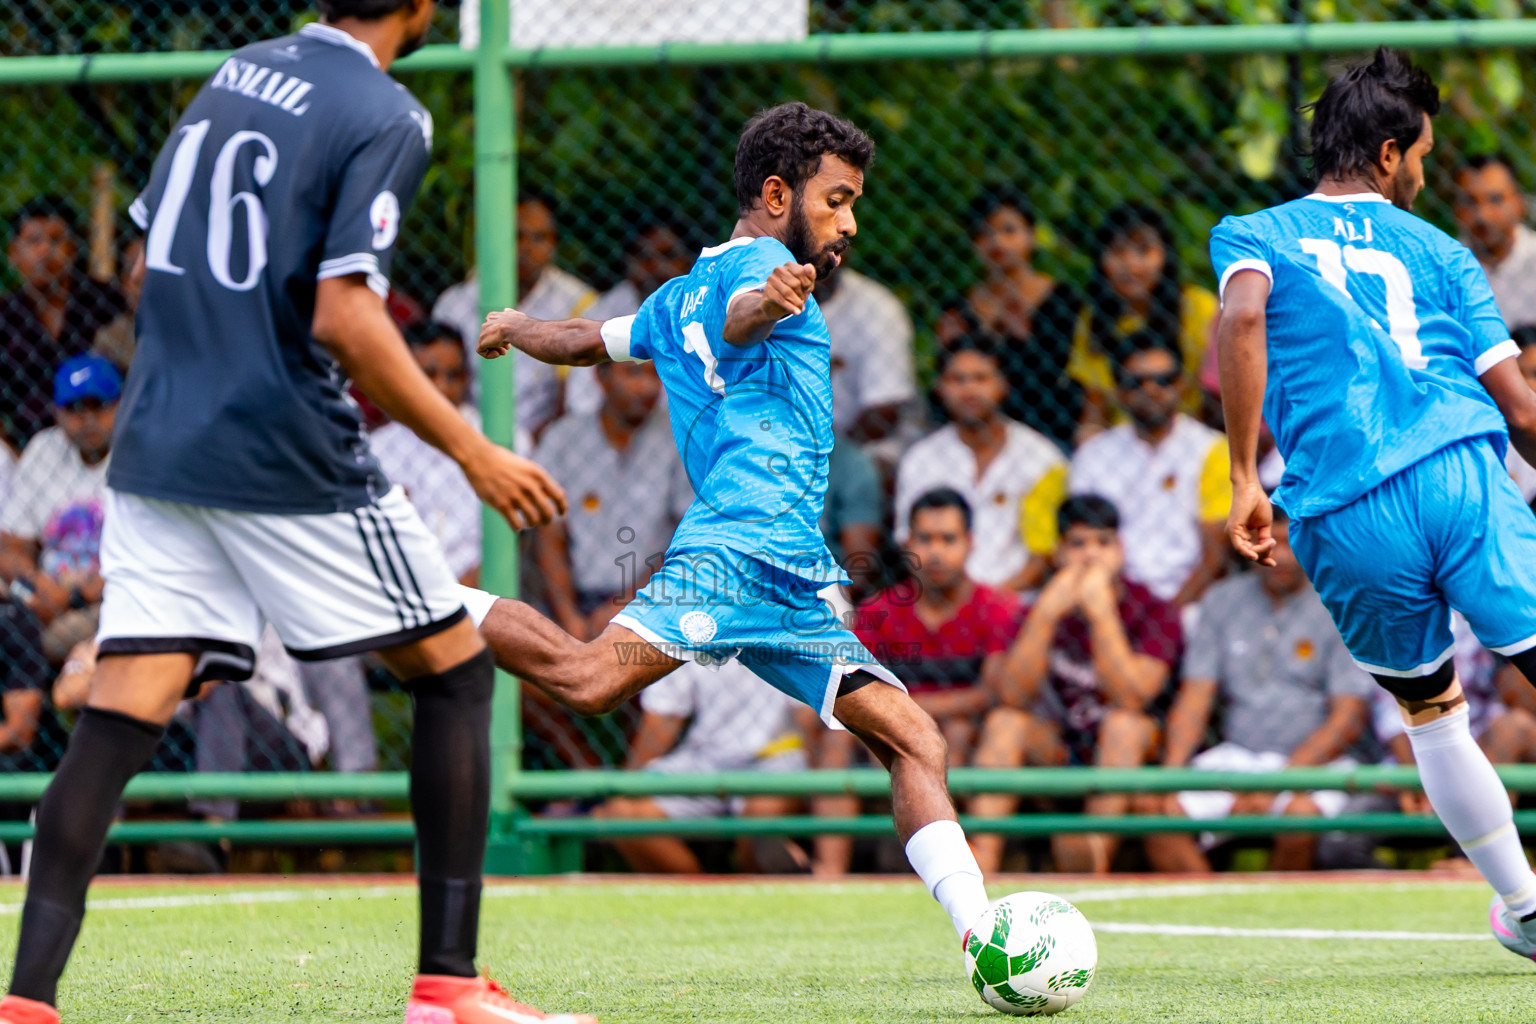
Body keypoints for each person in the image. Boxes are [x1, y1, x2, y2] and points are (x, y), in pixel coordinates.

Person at [0, 6, 573, 1024]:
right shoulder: (384, 109)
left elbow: (143, 264)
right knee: (455, 669)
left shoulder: (235, 73)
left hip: (157, 439)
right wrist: (476, 450)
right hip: (280, 446)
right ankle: (447, 988)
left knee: (122, 713)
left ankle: (26, 1003)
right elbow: (346, 315)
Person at [473, 102, 994, 963]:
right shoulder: (762, 269)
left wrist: (514, 327)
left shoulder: (671, 296)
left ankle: (983, 937)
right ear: (778, 192)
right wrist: (773, 296)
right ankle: (420, 602)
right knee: (590, 677)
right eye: (838, 201)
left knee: (914, 737)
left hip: (789, 580)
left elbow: (585, 339)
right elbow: (743, 315)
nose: (850, 222)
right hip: (740, 551)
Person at [1213, 47, 1536, 962]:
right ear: (1390, 154)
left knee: (1432, 714)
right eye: (1425, 152)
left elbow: (1240, 320)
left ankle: (1524, 905)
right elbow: (1520, 409)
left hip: (1343, 508)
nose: (1428, 172)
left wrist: (1245, 478)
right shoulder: (1443, 253)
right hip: (1462, 479)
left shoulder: (1254, 231)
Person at [1145, 509, 1373, 872]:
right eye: (1265, 542)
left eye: (1288, 542)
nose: (1278, 555)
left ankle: (1273, 915)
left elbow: (1347, 718)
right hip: (1238, 757)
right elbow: (1195, 698)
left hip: (1313, 764)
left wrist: (1277, 785)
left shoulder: (1340, 603)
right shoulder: (1221, 600)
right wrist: (1172, 776)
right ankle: (1211, 916)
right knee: (1156, 812)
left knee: (1299, 818)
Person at [968, 495, 1180, 875]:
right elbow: (1012, 694)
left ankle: (1093, 853)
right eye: (1078, 544)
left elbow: (1132, 697)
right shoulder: (1036, 608)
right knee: (1005, 723)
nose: (1091, 556)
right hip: (1060, 748)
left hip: (1131, 753)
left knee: (1123, 725)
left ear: (1121, 549)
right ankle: (978, 864)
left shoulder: (1153, 609)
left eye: (1103, 543)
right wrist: (1047, 615)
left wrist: (1101, 615)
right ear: (1058, 553)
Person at [591, 658, 808, 874]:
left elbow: (809, 718)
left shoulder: (789, 625)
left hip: (776, 755)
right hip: (705, 758)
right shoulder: (686, 626)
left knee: (761, 822)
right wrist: (626, 788)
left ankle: (759, 894)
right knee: (622, 814)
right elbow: (663, 719)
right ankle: (703, 898)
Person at [854, 488, 1021, 763]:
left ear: (970, 542)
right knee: (841, 736)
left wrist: (913, 708)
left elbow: (993, 693)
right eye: (925, 539)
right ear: (907, 543)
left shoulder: (999, 607)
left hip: (965, 730)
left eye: (948, 539)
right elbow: (858, 690)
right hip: (891, 726)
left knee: (957, 730)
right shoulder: (877, 610)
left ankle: (946, 807)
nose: (935, 552)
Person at [1069, 334, 1231, 608]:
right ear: (1119, 391)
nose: (1151, 390)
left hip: (1190, 600)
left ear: (1181, 385)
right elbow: (1079, 546)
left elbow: (1214, 554)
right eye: (1136, 382)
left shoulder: (1213, 450)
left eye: (1163, 380)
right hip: (1108, 596)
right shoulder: (1092, 455)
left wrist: (1167, 616)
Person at [894, 337, 1066, 592]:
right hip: (940, 599)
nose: (969, 390)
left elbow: (1043, 556)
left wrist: (989, 606)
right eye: (957, 379)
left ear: (1003, 385)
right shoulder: (920, 459)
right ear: (940, 388)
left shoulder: (1042, 459)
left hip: (1018, 603)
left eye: (981, 378)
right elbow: (908, 544)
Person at [432, 190, 598, 439]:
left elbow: (578, 401)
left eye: (539, 238)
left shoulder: (580, 303)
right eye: (516, 236)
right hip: (465, 436)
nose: (526, 248)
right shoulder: (454, 304)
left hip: (550, 442)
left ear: (554, 243)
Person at [936, 187, 1082, 448]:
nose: (996, 241)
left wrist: (1024, 340)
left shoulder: (1062, 301)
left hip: (1047, 431)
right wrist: (948, 350)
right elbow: (945, 385)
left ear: (1032, 236)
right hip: (971, 433)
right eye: (984, 233)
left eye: (1009, 230)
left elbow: (1067, 383)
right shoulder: (959, 308)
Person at [0, 356, 120, 661]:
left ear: (121, 405)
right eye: (76, 409)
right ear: (57, 413)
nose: (88, 419)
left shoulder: (139, 453)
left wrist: (75, 595)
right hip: (46, 589)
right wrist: (34, 585)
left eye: (98, 405)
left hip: (113, 593)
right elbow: (11, 545)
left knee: (53, 638)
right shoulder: (44, 449)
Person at [1068, 202, 1218, 434]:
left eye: (1143, 250)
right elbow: (1095, 409)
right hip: (1123, 442)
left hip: (1192, 435)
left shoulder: (1198, 306)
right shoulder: (1093, 318)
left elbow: (1221, 392)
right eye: (1118, 251)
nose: (1130, 264)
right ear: (1101, 260)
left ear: (1165, 255)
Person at [0, 198, 126, 454]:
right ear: (13, 253)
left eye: (56, 240)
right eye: (34, 241)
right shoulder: (5, 316)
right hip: (24, 448)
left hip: (105, 445)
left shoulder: (107, 302)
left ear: (72, 250)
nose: (45, 251)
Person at [370, 321, 484, 584]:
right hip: (401, 587)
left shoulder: (504, 441)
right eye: (429, 375)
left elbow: (516, 540)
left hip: (484, 593)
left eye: (453, 375)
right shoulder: (378, 448)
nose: (442, 387)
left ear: (467, 376)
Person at [564, 220, 694, 419]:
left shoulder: (701, 304)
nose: (657, 266)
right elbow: (580, 401)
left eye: (668, 255)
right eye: (645, 256)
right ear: (629, 261)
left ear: (687, 260)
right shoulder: (602, 311)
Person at [814, 256, 918, 458]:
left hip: (861, 444)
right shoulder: (755, 299)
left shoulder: (877, 308)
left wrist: (828, 458)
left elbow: (883, 414)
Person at [1453, 153, 1536, 331]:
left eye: (1495, 200)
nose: (1482, 215)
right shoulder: (1446, 267)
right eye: (1469, 201)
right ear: (1456, 209)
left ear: (1520, 203)